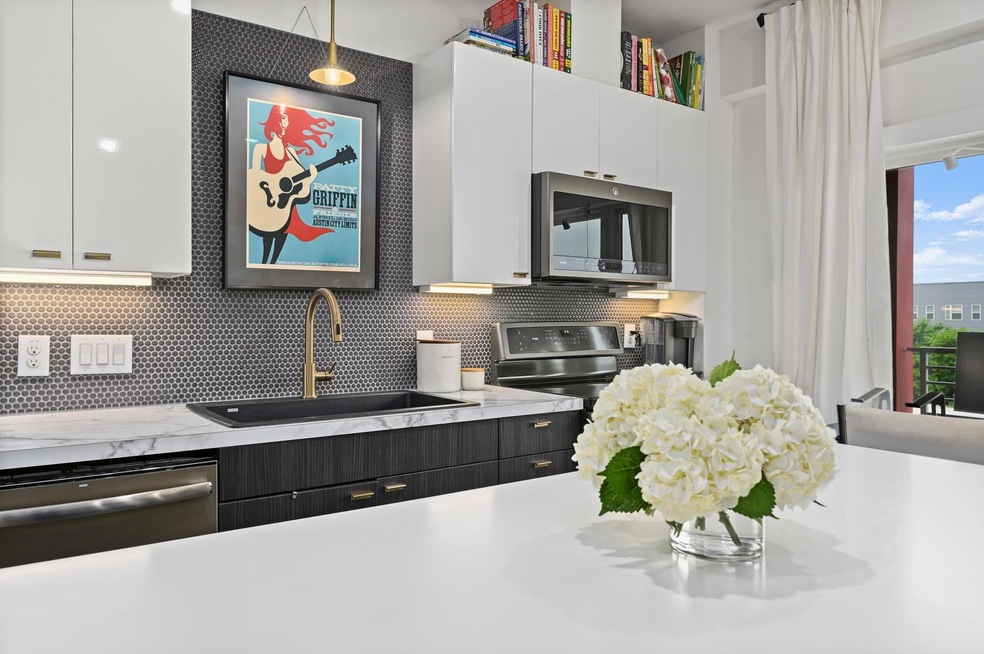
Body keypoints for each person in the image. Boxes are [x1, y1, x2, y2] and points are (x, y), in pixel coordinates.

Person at [246, 103, 336, 265]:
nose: (284, 126)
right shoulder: (261, 148)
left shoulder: (291, 153)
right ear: (273, 121)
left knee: (282, 232)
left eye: (286, 123)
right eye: (282, 121)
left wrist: (311, 177)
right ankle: (263, 265)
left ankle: (271, 265)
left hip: (286, 202)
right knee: (268, 235)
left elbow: (301, 180)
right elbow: (254, 177)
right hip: (266, 198)